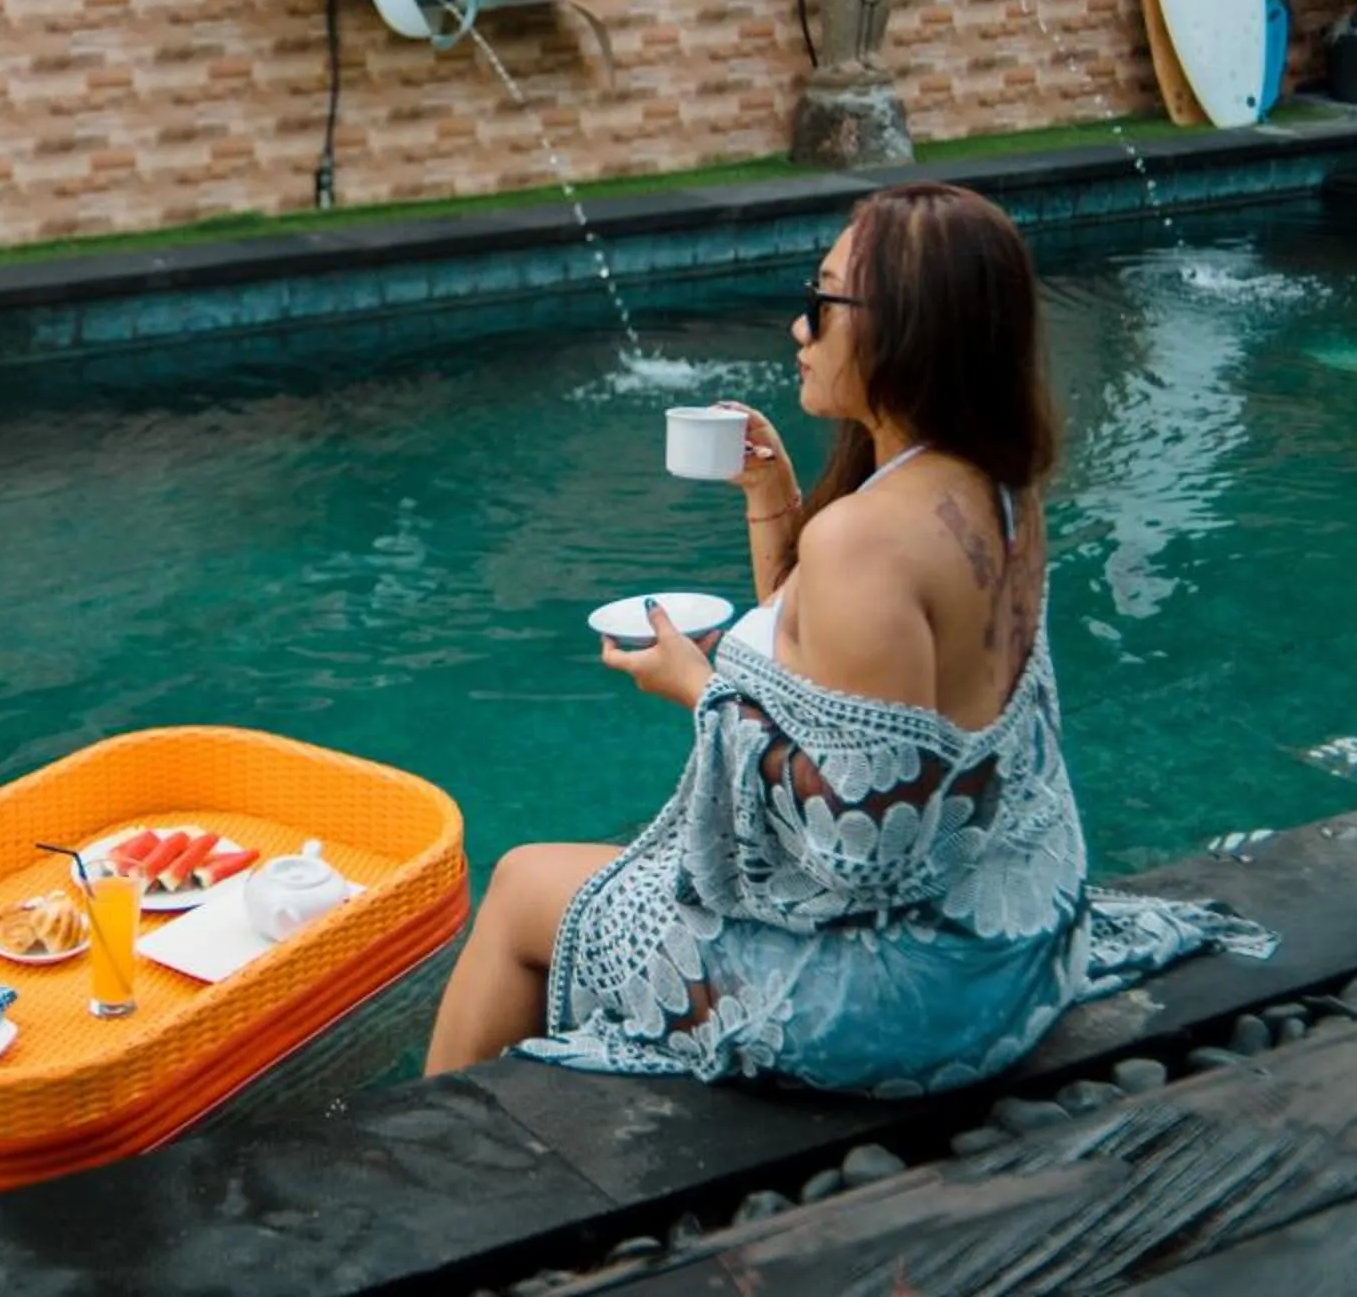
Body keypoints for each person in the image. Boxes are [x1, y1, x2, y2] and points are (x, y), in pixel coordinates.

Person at [425, 182, 1267, 1086]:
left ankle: (427, 1171)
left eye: (820, 303)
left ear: (905, 328)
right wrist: (771, 500)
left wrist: (700, 694)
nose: (798, 328)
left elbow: (858, 849)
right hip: (1016, 943)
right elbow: (825, 669)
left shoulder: (865, 538)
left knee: (517, 888)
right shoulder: (1002, 490)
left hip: (903, 1001)